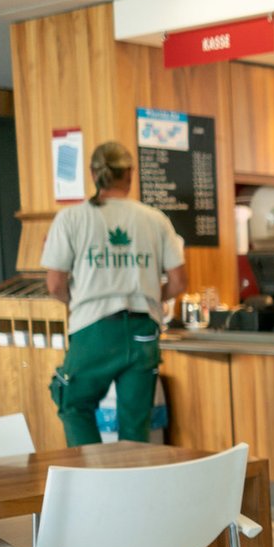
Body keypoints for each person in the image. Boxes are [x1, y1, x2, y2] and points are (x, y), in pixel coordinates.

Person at [43, 140, 186, 446]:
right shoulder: (155, 219)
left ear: (94, 174)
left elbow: (54, 284)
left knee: (74, 404)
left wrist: (81, 300)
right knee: (136, 421)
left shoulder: (71, 218)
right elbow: (178, 282)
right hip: (143, 330)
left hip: (93, 328)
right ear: (130, 174)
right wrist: (149, 296)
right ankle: (131, 491)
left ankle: (93, 485)